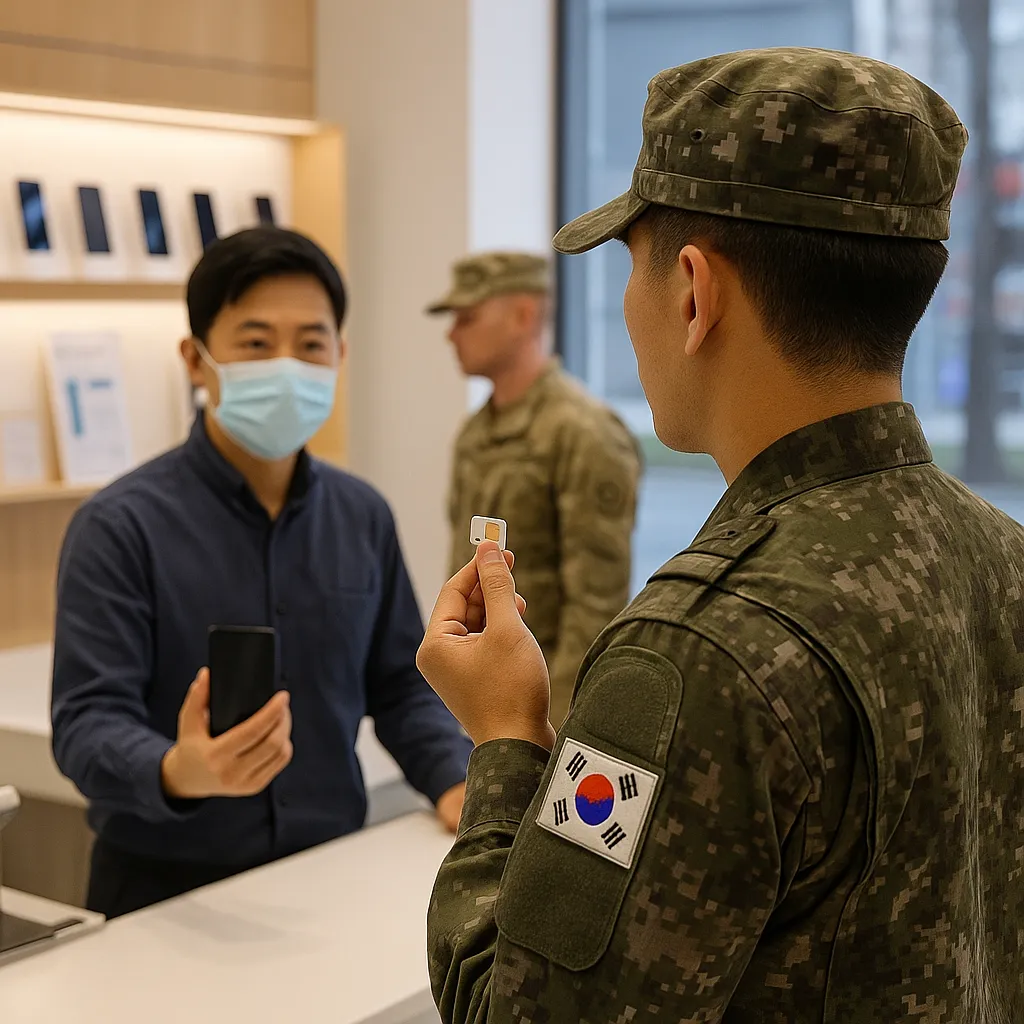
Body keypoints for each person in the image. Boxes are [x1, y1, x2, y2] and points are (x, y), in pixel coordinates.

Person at [415, 48, 1024, 1022]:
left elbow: (519, 1010)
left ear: (693, 292)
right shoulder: (1004, 559)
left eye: (631, 270)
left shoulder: (692, 653)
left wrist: (504, 740)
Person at [51, 226, 472, 919]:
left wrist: (453, 783)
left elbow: (398, 683)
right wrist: (177, 770)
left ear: (340, 354)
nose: (286, 363)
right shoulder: (119, 526)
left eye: (310, 343)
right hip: (167, 895)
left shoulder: (362, 515)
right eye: (254, 342)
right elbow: (87, 721)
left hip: (329, 879)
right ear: (195, 359)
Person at [427, 251, 641, 726]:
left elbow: (595, 609)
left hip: (543, 715)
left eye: (467, 317)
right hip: (481, 707)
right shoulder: (475, 434)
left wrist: (552, 734)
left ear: (524, 316)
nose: (451, 333)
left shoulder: (584, 433)